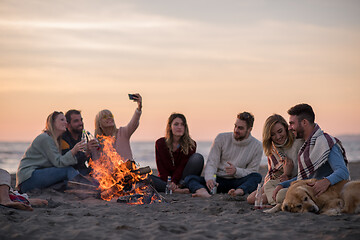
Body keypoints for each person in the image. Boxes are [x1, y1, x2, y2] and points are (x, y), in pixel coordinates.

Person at [272, 104, 349, 204]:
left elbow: (343, 172)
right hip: (311, 189)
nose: (289, 128)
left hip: (329, 191)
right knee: (281, 191)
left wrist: (326, 182)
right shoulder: (306, 147)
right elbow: (304, 178)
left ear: (304, 122)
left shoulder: (325, 142)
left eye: (292, 124)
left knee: (282, 195)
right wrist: (282, 184)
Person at [184, 112, 263, 198]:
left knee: (257, 177)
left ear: (249, 129)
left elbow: (252, 171)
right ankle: (202, 192)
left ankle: (238, 192)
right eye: (235, 126)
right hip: (218, 181)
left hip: (238, 182)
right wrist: (210, 179)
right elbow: (212, 163)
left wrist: (236, 171)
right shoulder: (221, 138)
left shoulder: (257, 146)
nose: (236, 130)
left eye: (240, 128)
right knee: (190, 178)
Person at [16, 111, 91, 193]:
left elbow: (58, 163)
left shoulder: (56, 140)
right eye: (62, 120)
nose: (65, 123)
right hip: (28, 178)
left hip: (35, 177)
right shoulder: (45, 138)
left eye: (66, 120)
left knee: (65, 181)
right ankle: (92, 188)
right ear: (53, 123)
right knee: (67, 170)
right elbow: (58, 163)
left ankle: (90, 188)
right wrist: (74, 150)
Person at [247, 114, 303, 205]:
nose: (278, 137)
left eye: (280, 131)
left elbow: (304, 173)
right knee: (251, 198)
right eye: (273, 134)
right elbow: (273, 174)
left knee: (264, 198)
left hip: (293, 182)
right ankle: (274, 200)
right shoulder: (273, 148)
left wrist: (287, 174)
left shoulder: (297, 143)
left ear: (285, 128)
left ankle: (275, 203)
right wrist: (284, 175)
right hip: (277, 181)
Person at [150, 113, 204, 193]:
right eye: (176, 124)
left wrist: (175, 182)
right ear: (170, 127)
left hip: (182, 180)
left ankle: (177, 188)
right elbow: (161, 168)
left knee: (197, 158)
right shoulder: (160, 143)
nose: (179, 127)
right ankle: (175, 190)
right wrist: (170, 183)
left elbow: (182, 166)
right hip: (166, 181)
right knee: (143, 177)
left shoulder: (191, 144)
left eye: (182, 125)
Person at [91, 93, 142, 160]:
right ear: (99, 123)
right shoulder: (97, 142)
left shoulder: (123, 133)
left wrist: (139, 107)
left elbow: (134, 123)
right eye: (105, 117)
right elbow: (95, 164)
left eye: (111, 116)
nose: (109, 118)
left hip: (127, 169)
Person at [61, 109, 92, 175]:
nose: (80, 123)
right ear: (68, 124)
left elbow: (89, 159)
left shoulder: (84, 135)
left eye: (81, 120)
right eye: (76, 121)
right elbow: (69, 162)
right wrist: (86, 153)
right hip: (70, 172)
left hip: (83, 170)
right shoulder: (63, 139)